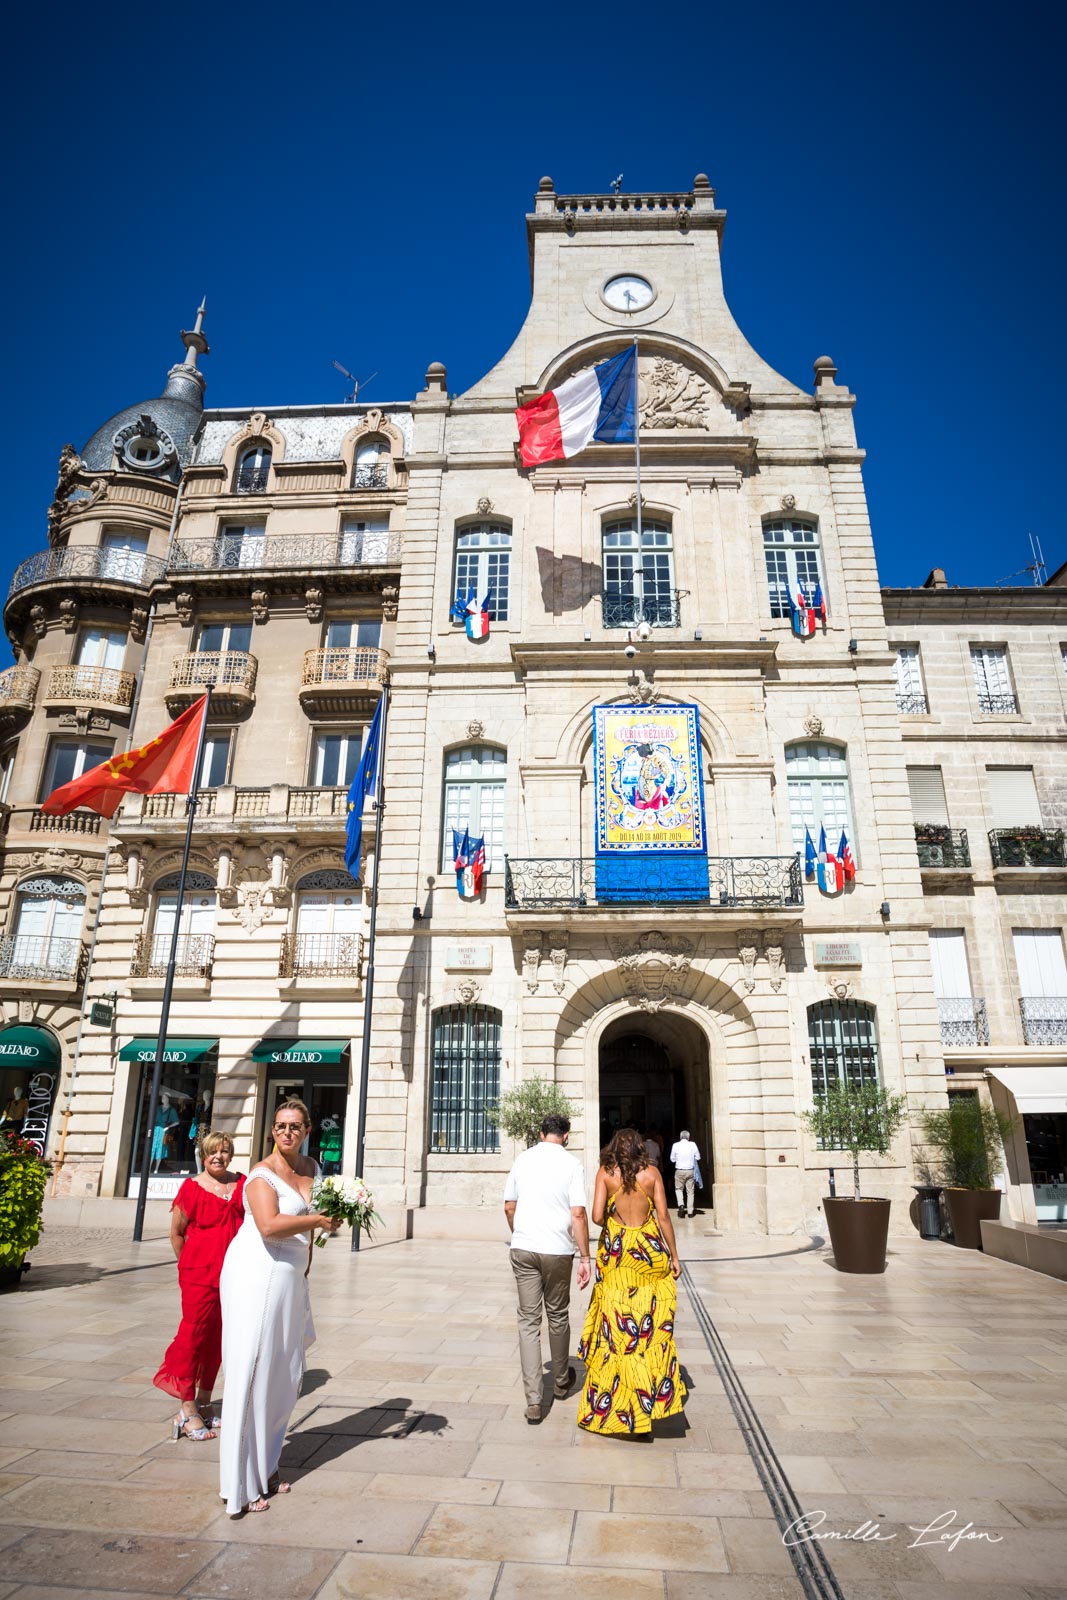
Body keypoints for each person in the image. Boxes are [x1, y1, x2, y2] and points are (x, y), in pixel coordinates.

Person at [218, 1098, 341, 1516]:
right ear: (272, 1131)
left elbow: (317, 1226)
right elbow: (269, 1227)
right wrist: (318, 1222)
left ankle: (266, 1466)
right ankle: (239, 1485)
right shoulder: (260, 1175)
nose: (286, 1132)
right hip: (257, 1273)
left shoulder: (312, 1169)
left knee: (284, 1375)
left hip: (291, 1279)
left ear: (307, 1130)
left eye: (294, 1126)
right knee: (252, 1371)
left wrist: (327, 1228)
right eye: (280, 1126)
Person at [577, 1127, 686, 1437]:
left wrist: (615, 1214)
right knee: (649, 1325)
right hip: (648, 1252)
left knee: (617, 1327)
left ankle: (619, 1407)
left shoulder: (605, 1173)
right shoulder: (651, 1173)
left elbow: (597, 1216)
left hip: (617, 1253)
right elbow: (664, 1216)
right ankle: (648, 1399)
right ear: (641, 1147)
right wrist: (675, 1256)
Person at [155, 1130, 245, 1441]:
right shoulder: (191, 1188)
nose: (218, 1157)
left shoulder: (242, 1184)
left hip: (233, 1275)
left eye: (224, 1151)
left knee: (219, 1337)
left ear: (231, 1153)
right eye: (212, 1152)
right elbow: (176, 1233)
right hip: (199, 1274)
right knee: (193, 1336)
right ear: (203, 1156)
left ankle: (205, 1402)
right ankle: (187, 1407)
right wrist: (188, 1265)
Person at [503, 1113, 591, 1425]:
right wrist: (585, 1257)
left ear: (541, 1133)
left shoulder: (522, 1159)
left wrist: (519, 1232)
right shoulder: (572, 1164)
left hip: (524, 1247)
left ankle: (534, 1401)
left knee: (528, 1321)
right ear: (566, 1136)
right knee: (557, 1314)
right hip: (557, 1250)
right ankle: (562, 1381)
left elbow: (509, 1206)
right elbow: (578, 1213)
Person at [670, 1128, 701, 1218]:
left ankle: (681, 1205)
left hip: (679, 1171)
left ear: (680, 1137)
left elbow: (672, 1159)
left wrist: (678, 1159)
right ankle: (690, 1212)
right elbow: (698, 1157)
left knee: (678, 1189)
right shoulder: (693, 1144)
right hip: (690, 1171)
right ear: (689, 1137)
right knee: (690, 1192)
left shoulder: (675, 1145)